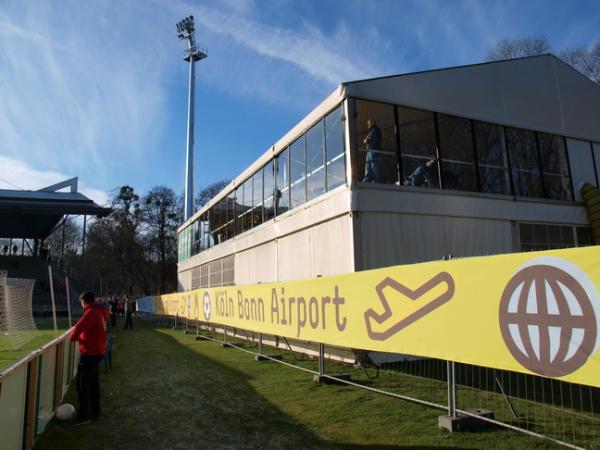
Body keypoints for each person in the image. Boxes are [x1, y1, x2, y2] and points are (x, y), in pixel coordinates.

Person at [69, 291, 109, 424]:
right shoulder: (98, 312)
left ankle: (83, 416)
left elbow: (78, 328)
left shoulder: (91, 313)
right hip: (97, 351)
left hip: (90, 353)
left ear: (84, 302)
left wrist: (73, 337)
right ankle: (95, 412)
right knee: (93, 384)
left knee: (82, 385)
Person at [362, 118, 382, 183]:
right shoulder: (371, 131)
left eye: (369, 123)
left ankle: (375, 182)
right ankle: (366, 181)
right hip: (369, 151)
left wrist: (367, 140)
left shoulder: (376, 130)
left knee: (374, 167)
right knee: (368, 167)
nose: (368, 125)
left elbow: (376, 141)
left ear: (373, 122)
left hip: (374, 151)